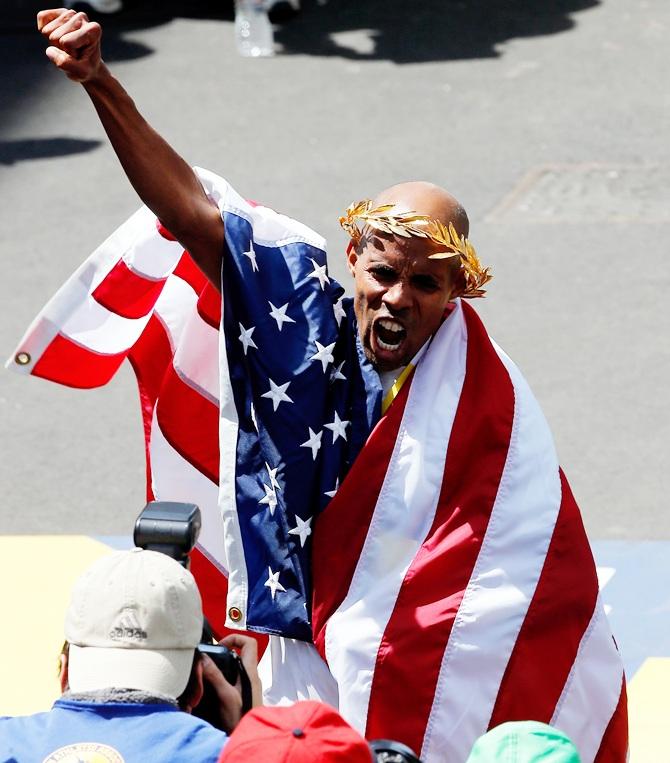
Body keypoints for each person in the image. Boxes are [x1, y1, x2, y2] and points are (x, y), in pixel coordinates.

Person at [12, 8, 628, 761]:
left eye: (427, 284)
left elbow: (527, 564)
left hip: (424, 673)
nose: (399, 297)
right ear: (352, 259)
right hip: (306, 660)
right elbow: (193, 214)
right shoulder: (299, 324)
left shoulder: (490, 408)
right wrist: (100, 81)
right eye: (384, 274)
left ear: (460, 291)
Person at [0, 548, 261, 762]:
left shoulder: (7, 741)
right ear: (198, 684)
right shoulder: (221, 754)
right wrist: (249, 736)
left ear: (65, 671)